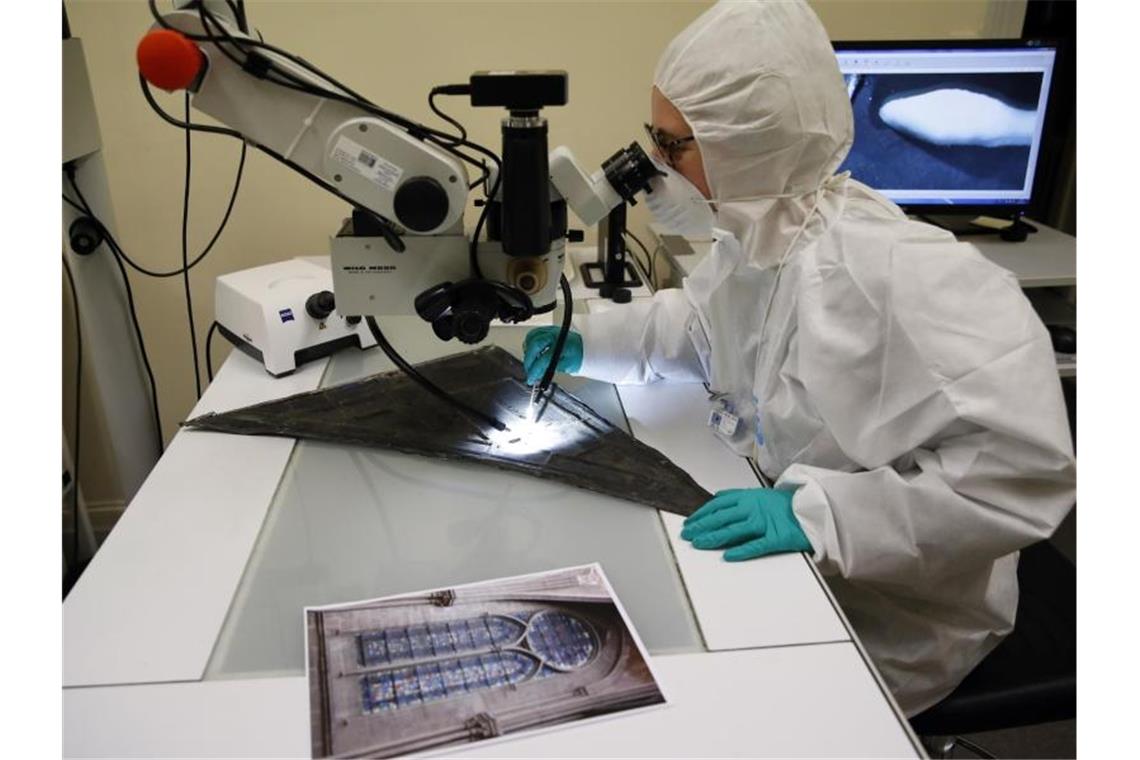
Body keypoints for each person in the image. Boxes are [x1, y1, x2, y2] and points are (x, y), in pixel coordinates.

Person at [523, 0, 1075, 716]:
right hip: (793, 555)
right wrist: (591, 340)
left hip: (893, 613)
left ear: (750, 146)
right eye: (652, 139)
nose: (652, 167)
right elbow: (700, 327)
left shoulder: (906, 281)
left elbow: (1021, 476)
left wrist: (822, 517)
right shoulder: (761, 241)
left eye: (673, 144)